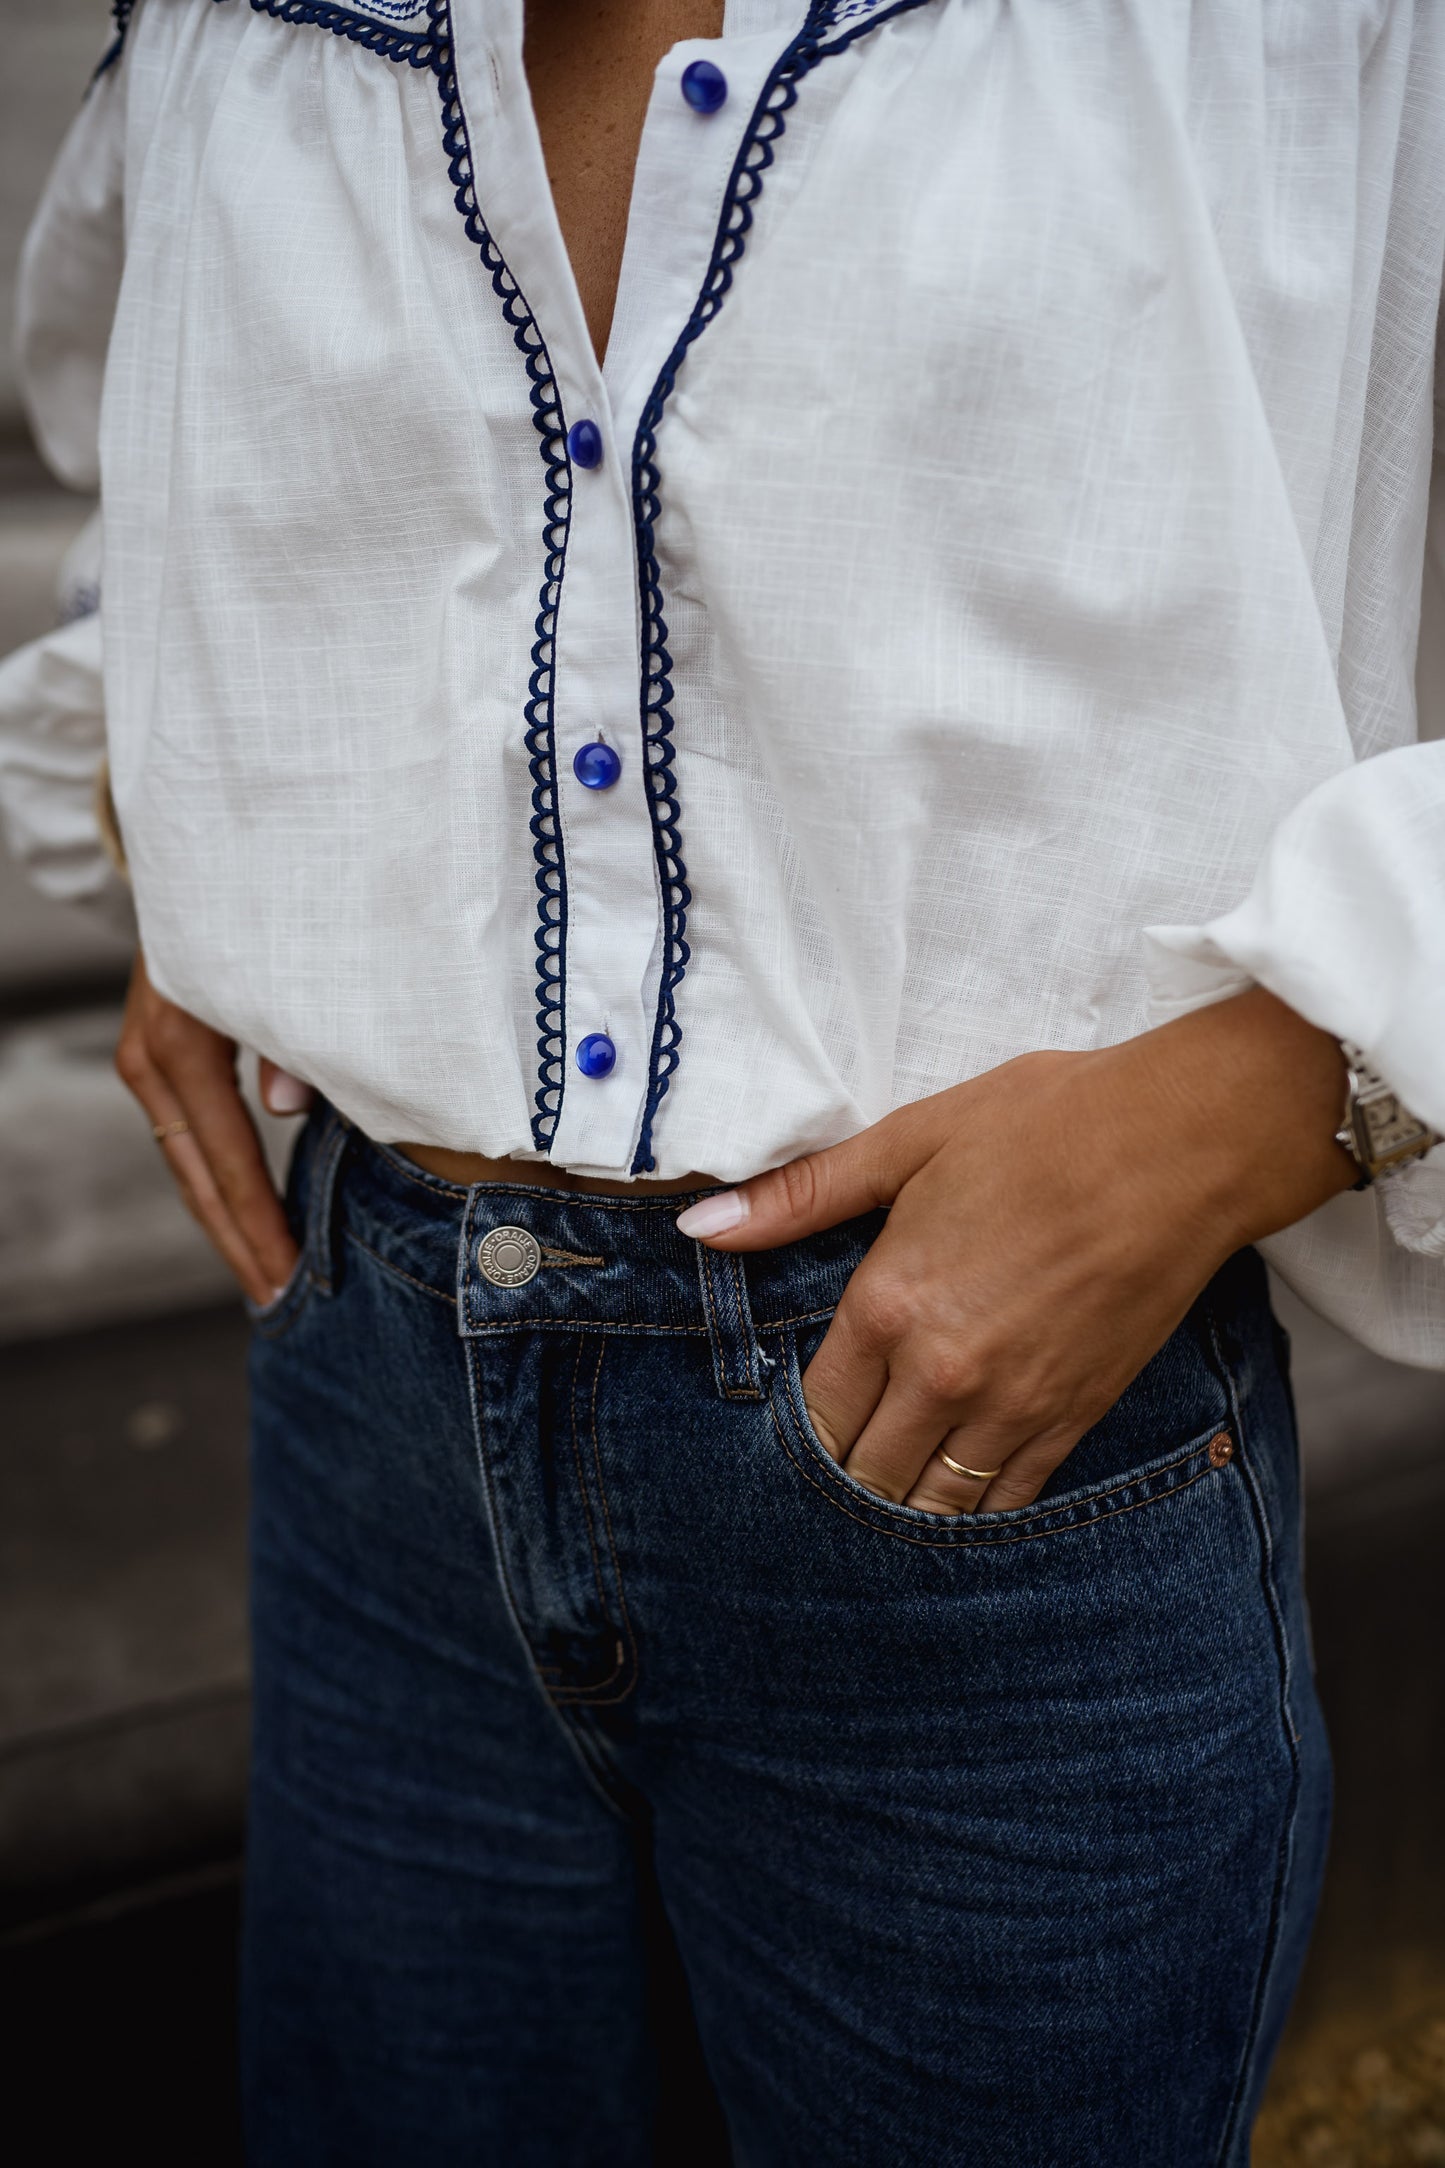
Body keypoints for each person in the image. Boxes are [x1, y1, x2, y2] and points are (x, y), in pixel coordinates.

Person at [2, 0, 1443, 2160]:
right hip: (373, 1390)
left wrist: (1304, 1073)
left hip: (982, 1443)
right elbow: (172, 413)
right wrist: (204, 814)